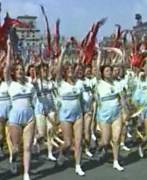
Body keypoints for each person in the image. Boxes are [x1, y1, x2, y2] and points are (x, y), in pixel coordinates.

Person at [4, 38, 36, 180]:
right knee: (16, 148)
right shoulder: (10, 84)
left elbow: (35, 100)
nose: (20, 71)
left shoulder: (30, 84)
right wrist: (9, 48)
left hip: (29, 117)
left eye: (22, 69)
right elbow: (6, 67)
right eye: (17, 70)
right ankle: (14, 158)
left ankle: (26, 173)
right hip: (15, 118)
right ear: (13, 73)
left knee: (27, 147)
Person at [55, 47, 85, 176]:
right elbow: (58, 68)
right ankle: (62, 153)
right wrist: (62, 53)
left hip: (78, 115)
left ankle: (78, 165)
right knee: (67, 143)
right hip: (65, 116)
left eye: (73, 70)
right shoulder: (60, 83)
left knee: (78, 141)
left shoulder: (79, 83)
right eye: (69, 71)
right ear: (65, 73)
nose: (71, 72)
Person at [94, 48, 124, 172]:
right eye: (106, 70)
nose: (109, 72)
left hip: (117, 114)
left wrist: (124, 109)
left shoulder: (117, 83)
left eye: (110, 70)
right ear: (102, 73)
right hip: (104, 115)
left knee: (116, 139)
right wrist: (100, 54)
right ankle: (98, 147)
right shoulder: (99, 83)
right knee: (105, 141)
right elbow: (96, 68)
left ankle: (116, 161)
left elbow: (121, 98)